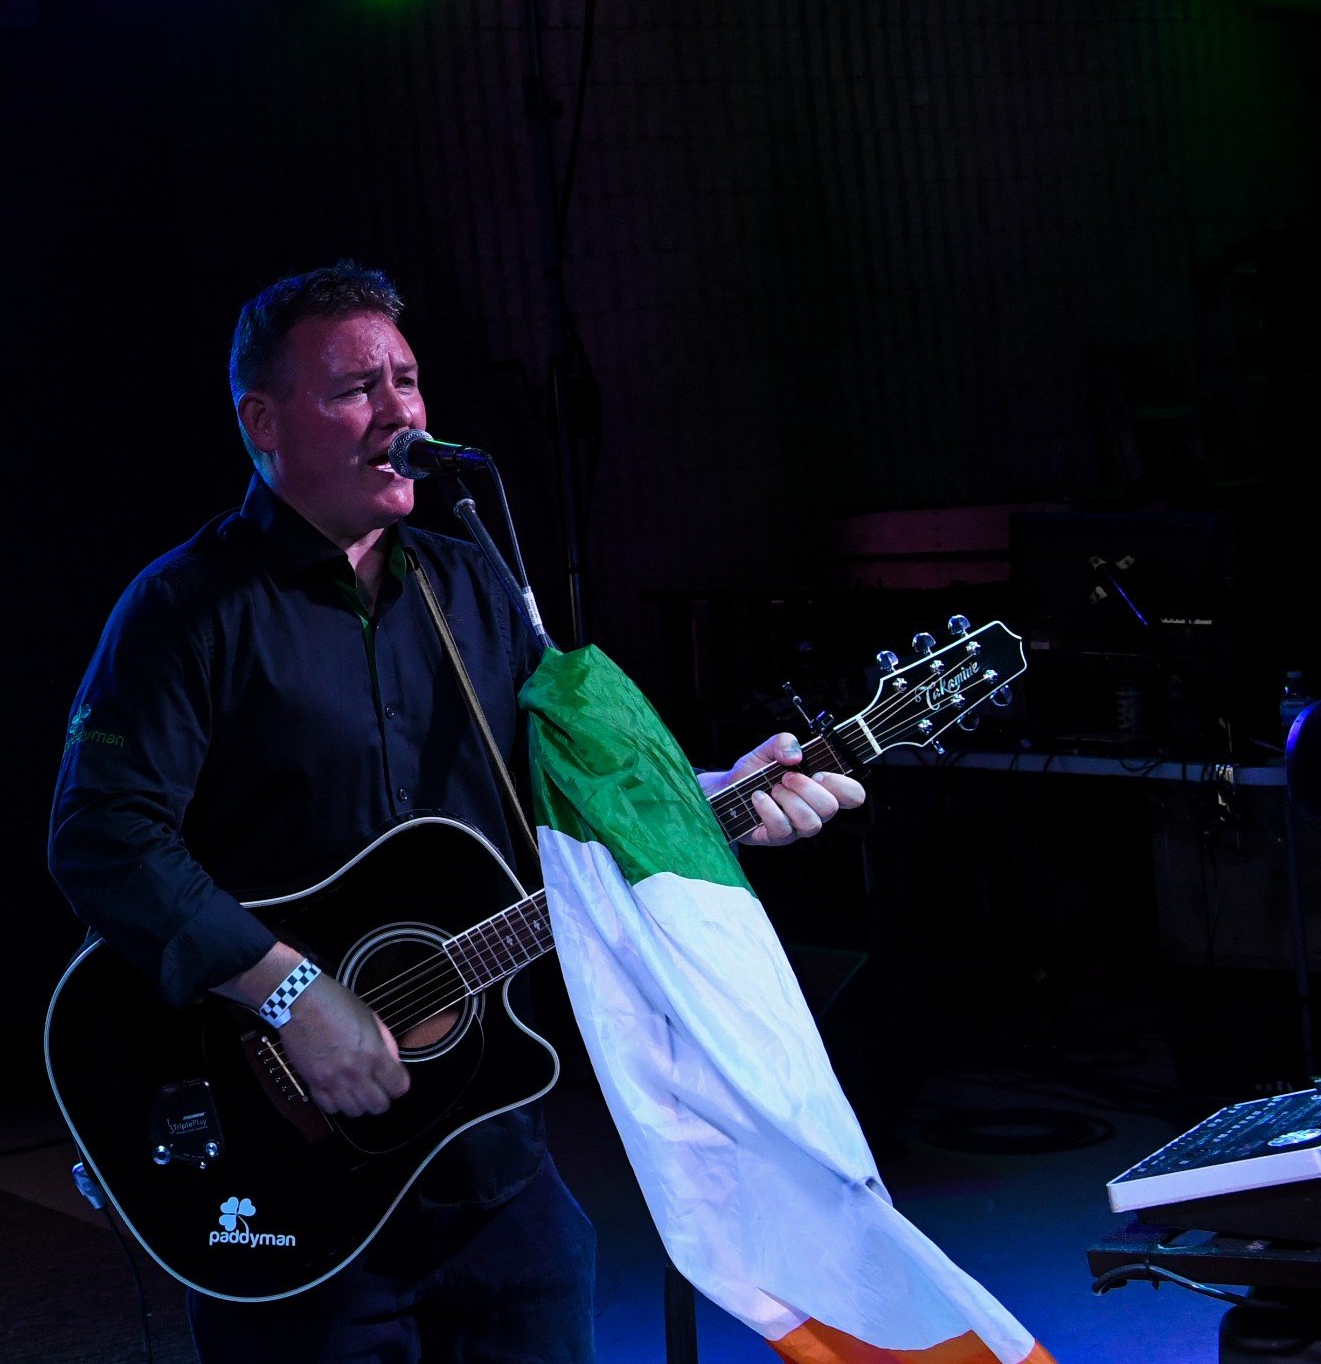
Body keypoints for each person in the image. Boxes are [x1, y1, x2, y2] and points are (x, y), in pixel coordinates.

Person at [46, 263, 864, 1363]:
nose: (398, 411)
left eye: (408, 379)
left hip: (486, 1152)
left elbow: (563, 801)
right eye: (355, 388)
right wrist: (291, 992)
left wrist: (717, 798)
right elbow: (103, 838)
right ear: (263, 422)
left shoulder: (470, 583)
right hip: (293, 1174)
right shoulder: (186, 608)